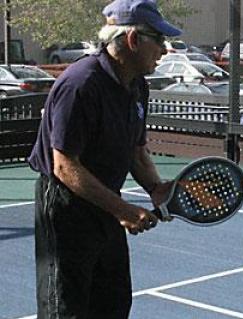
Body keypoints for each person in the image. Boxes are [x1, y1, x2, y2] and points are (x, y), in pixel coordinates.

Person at [28, 0, 182, 317]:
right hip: (65, 206)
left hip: (106, 201)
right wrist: (122, 209)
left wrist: (155, 187)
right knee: (66, 308)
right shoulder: (80, 85)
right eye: (160, 40)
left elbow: (136, 150)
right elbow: (64, 166)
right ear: (133, 39)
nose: (165, 50)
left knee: (112, 304)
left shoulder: (137, 84)